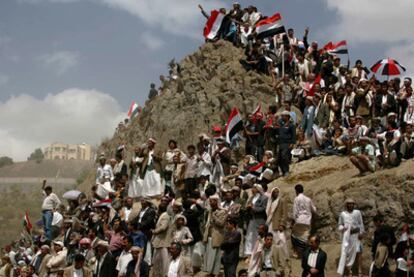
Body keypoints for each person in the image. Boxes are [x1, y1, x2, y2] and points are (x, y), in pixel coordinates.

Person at [337, 198, 365, 277]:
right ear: (346, 205)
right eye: (349, 203)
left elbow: (361, 223)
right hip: (347, 237)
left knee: (359, 252)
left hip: (356, 235)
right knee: (347, 253)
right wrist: (343, 228)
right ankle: (349, 270)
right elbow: (339, 225)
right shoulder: (343, 214)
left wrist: (361, 232)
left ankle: (360, 270)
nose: (351, 205)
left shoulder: (357, 212)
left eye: (352, 203)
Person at [203, 195, 228, 277]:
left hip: (216, 236)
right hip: (208, 236)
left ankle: (215, 273)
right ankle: (210, 272)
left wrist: (213, 215)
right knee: (209, 256)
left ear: (217, 202)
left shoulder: (223, 211)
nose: (211, 203)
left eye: (213, 201)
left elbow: (221, 224)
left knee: (216, 256)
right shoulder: (209, 211)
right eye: (210, 201)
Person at [292, 184, 316, 258]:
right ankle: (307, 253)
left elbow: (295, 211)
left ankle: (296, 252)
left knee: (294, 236)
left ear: (296, 191)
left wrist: (294, 220)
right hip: (307, 221)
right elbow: (314, 210)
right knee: (305, 238)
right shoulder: (308, 199)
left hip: (299, 220)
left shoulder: (297, 199)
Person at [245, 184, 268, 257]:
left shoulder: (264, 198)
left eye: (253, 188)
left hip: (259, 220)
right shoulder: (251, 198)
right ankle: (250, 252)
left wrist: (253, 208)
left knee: (258, 237)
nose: (252, 189)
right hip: (251, 219)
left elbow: (263, 209)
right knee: (250, 236)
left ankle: (258, 252)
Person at [151, 202, 172, 277]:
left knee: (163, 262)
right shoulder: (163, 215)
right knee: (158, 261)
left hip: (163, 241)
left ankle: (164, 275)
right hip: (159, 241)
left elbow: (163, 227)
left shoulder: (165, 216)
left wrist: (154, 231)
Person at [266, 187, 288, 257]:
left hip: (278, 224)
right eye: (274, 192)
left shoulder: (281, 200)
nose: (276, 193)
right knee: (272, 241)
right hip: (270, 223)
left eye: (277, 192)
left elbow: (284, 214)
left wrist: (282, 224)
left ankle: (283, 257)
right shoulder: (270, 201)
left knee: (281, 241)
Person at [277, 111, 296, 176]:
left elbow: (294, 135)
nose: (282, 117)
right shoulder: (281, 125)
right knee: (279, 158)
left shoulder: (291, 125)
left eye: (283, 116)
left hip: (287, 143)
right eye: (282, 116)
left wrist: (292, 143)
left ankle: (286, 171)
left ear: (287, 117)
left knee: (284, 156)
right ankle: (283, 171)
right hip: (280, 143)